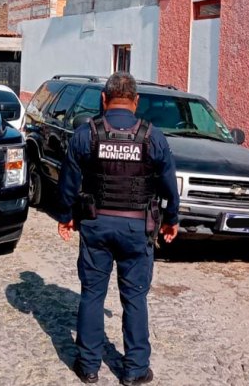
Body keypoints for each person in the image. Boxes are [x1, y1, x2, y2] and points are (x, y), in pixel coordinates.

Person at [56, 72, 180, 385]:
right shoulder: (153, 136)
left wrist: (66, 215)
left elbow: (69, 181)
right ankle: (135, 370)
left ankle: (88, 366)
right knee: (135, 297)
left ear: (103, 98)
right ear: (136, 102)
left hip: (97, 225)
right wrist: (172, 219)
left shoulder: (87, 134)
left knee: (92, 294)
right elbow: (168, 184)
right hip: (137, 228)